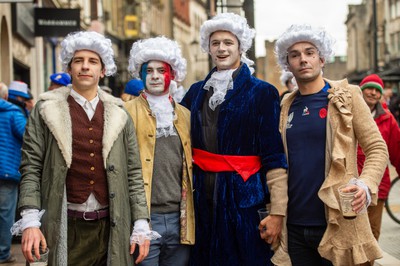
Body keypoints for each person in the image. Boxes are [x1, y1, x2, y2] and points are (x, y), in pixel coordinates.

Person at [12, 31, 157, 266]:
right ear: (70, 68)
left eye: (92, 62)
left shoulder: (120, 113)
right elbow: (31, 168)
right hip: (64, 224)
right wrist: (30, 220)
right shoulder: (45, 110)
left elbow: (133, 173)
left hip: (111, 226)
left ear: (103, 70)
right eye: (78, 61)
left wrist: (140, 222)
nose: (85, 67)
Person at [275, 24, 389, 265]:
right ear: (288, 64)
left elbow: (377, 148)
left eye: (309, 52)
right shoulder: (285, 104)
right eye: (295, 55)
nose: (303, 59)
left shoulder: (349, 95)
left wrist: (366, 185)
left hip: (339, 222)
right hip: (294, 226)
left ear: (322, 58)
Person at [181, 13, 288, 266]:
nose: (221, 48)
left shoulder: (262, 92)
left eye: (228, 42)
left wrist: (277, 212)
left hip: (244, 200)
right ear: (208, 48)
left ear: (241, 47)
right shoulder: (196, 92)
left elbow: (274, 156)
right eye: (215, 43)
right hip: (202, 200)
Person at [124, 36, 194, 266]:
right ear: (141, 75)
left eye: (161, 70)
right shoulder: (125, 112)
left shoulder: (185, 115)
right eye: (149, 70)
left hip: (180, 219)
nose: (154, 76)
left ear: (172, 74)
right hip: (144, 219)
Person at [357, 74, 400, 244]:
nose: (373, 93)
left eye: (377, 90)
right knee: (351, 238)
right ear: (361, 90)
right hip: (350, 186)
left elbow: (397, 150)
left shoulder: (388, 119)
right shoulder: (347, 113)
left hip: (376, 186)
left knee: (371, 237)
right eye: (369, 88)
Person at [0, 82, 26, 264]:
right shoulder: (13, 113)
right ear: (6, 96)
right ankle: (2, 253)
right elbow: (28, 137)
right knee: (5, 215)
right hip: (7, 171)